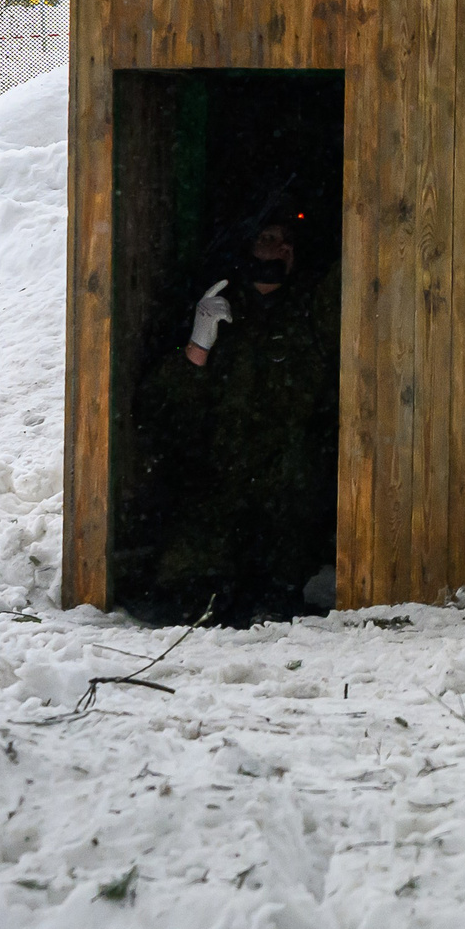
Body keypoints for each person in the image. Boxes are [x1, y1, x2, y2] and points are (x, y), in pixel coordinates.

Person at [136, 216, 339, 624]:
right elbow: (158, 407)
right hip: (217, 482)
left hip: (286, 491)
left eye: (289, 242)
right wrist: (198, 345)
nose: (282, 248)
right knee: (187, 591)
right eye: (270, 237)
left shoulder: (310, 314)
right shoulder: (215, 305)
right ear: (248, 244)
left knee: (280, 588)